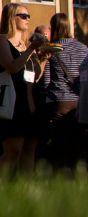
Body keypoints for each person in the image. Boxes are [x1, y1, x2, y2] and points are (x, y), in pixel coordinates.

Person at [0, 1, 46, 178]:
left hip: (30, 104)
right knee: (13, 150)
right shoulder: (1, 41)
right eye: (23, 16)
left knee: (29, 150)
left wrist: (42, 58)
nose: (28, 19)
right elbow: (12, 67)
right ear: (11, 18)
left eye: (28, 16)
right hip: (13, 102)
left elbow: (34, 76)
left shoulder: (24, 45)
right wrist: (30, 50)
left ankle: (25, 193)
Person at [37, 12, 85, 171]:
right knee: (77, 143)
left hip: (58, 101)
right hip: (79, 102)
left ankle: (61, 178)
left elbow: (46, 82)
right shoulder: (83, 48)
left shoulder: (51, 49)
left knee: (59, 144)